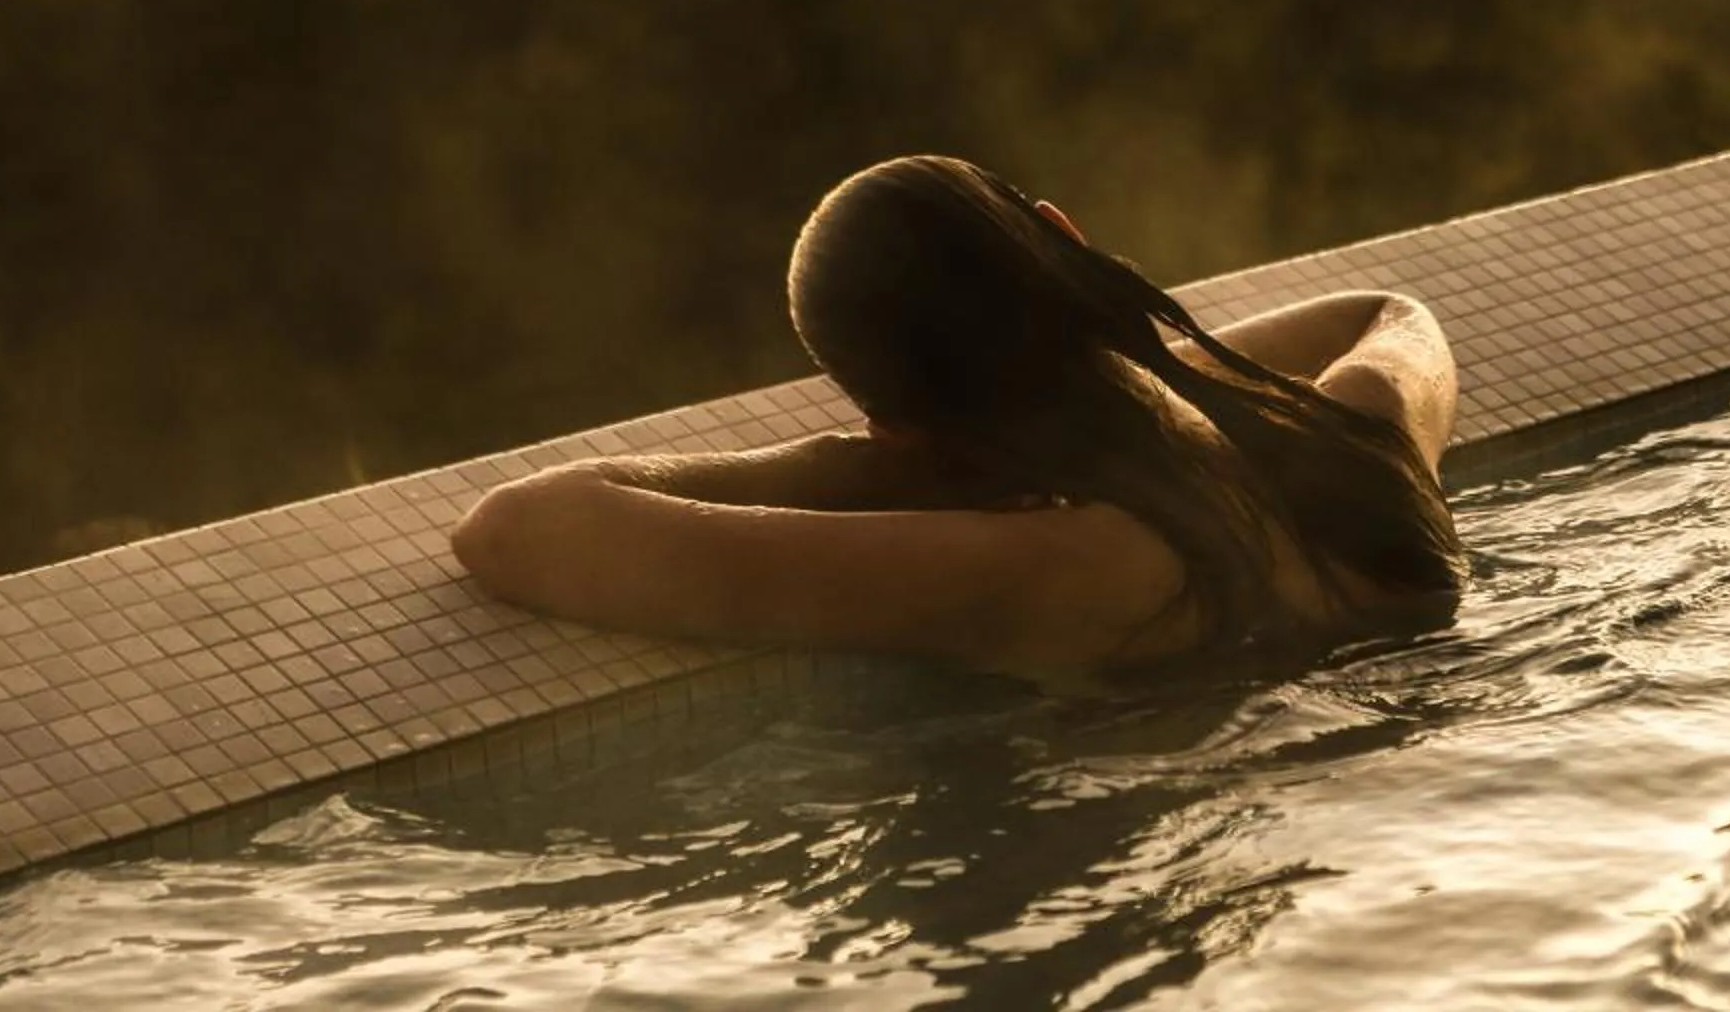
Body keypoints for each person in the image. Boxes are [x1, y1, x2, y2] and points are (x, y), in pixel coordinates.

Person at [451, 154, 1463, 678]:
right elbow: (1383, 311)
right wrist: (1142, 375)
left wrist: (855, 465)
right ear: (1062, 232)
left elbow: (512, 528)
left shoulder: (1055, 567)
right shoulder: (1359, 440)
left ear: (899, 419)